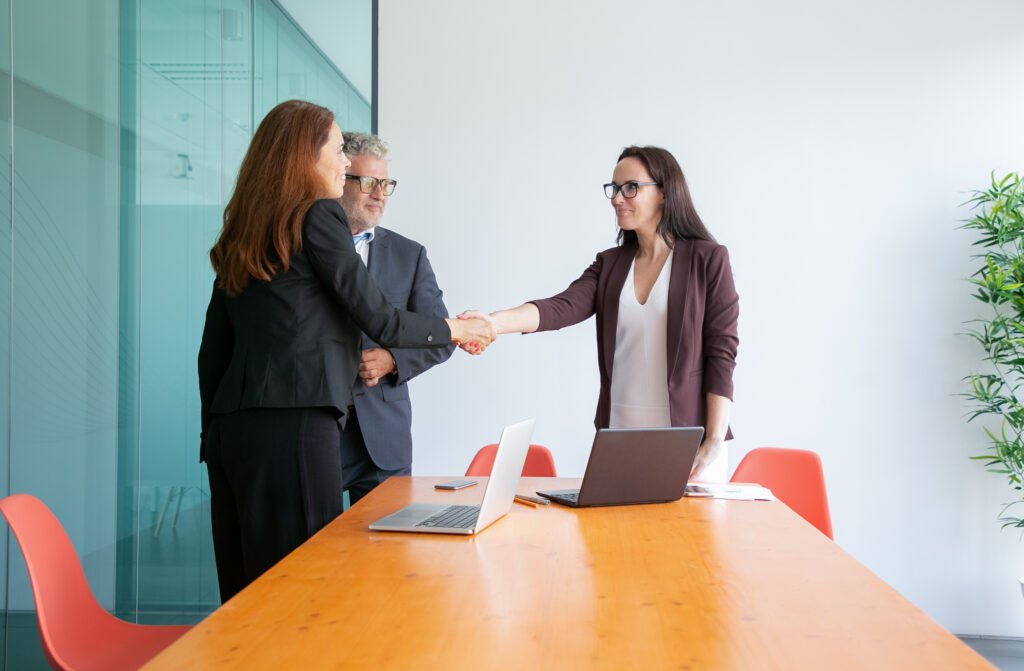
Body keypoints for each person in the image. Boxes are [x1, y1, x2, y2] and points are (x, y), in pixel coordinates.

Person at [198, 100, 492, 602]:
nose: (342, 162)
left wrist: (214, 430)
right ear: (306, 155)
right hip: (296, 424)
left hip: (232, 432)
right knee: (306, 587)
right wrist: (458, 327)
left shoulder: (248, 225)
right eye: (337, 150)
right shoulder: (318, 214)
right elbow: (380, 317)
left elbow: (214, 349)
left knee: (247, 592)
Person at [460, 146, 738, 479]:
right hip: (619, 439)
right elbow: (560, 307)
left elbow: (722, 352)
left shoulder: (707, 260)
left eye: (630, 188)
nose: (617, 199)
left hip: (690, 445)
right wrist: (494, 322)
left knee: (688, 533)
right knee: (618, 533)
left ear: (664, 193)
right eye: (614, 189)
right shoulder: (611, 264)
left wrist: (714, 438)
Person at [337, 132, 454, 505]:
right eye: (369, 183)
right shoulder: (304, 247)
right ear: (340, 179)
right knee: (318, 558)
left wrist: (392, 361)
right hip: (321, 432)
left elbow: (442, 335)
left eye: (386, 184)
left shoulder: (409, 254)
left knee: (383, 555)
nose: (380, 194)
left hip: (384, 439)